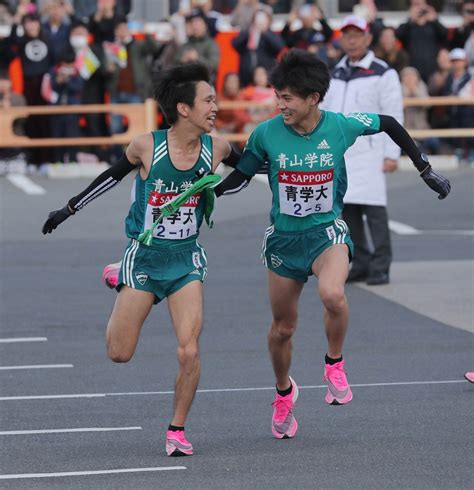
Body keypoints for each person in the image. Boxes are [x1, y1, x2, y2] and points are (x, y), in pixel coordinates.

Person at [215, 49, 450, 439]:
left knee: (333, 295)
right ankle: (284, 392)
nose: (280, 104)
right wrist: (209, 194)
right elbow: (242, 176)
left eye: (287, 97)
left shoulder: (340, 126)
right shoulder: (266, 133)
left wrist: (423, 167)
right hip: (285, 240)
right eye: (278, 95)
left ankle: (334, 363)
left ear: (313, 98)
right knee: (282, 329)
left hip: (327, 232)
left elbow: (389, 122)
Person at [42, 62, 238, 456]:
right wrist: (68, 209)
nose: (216, 107)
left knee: (190, 349)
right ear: (184, 108)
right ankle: (120, 274)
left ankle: (176, 430)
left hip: (186, 261)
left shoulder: (218, 148)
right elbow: (111, 177)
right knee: (119, 352)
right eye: (208, 100)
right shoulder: (147, 146)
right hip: (144, 259)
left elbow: (255, 167)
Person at [321, 15, 404, 286]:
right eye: (347, 35)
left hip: (370, 151)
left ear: (368, 38)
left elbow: (393, 113)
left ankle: (381, 265)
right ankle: (362, 261)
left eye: (357, 34)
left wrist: (392, 153)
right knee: (348, 209)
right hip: (342, 153)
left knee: (374, 210)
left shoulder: (382, 72)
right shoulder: (334, 72)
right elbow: (325, 112)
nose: (352, 39)